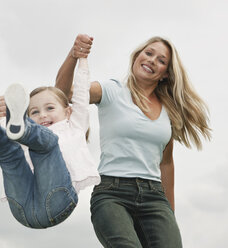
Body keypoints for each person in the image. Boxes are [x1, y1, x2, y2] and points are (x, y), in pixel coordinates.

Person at [55, 34, 211, 247]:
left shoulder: (168, 111)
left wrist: (169, 215)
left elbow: (166, 163)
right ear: (137, 56)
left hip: (154, 198)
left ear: (165, 74)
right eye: (148, 53)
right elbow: (63, 94)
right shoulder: (111, 90)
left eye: (161, 60)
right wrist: (74, 55)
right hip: (112, 194)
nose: (152, 60)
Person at [0, 58, 100, 228]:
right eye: (34, 112)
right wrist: (2, 117)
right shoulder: (24, 135)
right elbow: (6, 138)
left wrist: (83, 59)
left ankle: (18, 122)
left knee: (47, 144)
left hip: (57, 202)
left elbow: (81, 94)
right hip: (22, 207)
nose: (42, 115)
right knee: (10, 155)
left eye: (50, 108)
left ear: (68, 111)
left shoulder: (75, 124)